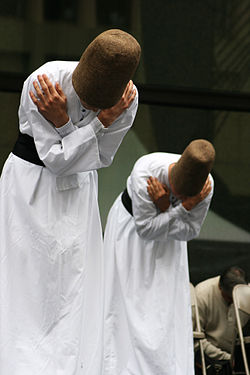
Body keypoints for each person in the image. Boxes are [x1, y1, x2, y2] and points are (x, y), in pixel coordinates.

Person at [0, 29, 141, 375]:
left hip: (79, 190)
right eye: (88, 104)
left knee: (74, 276)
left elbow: (100, 158)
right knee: (29, 276)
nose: (94, 111)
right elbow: (56, 160)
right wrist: (90, 128)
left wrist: (69, 125)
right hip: (30, 186)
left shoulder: (126, 101)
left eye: (99, 108)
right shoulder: (45, 82)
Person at [103, 139, 215, 374]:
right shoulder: (146, 171)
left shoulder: (206, 187)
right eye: (177, 194)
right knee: (125, 298)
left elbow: (190, 231)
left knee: (163, 306)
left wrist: (171, 208)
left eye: (186, 197)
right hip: (132, 236)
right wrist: (182, 209)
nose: (180, 198)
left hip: (171, 244)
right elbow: (146, 229)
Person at [194, 266, 248, 374]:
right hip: (208, 360)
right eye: (229, 298)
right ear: (220, 287)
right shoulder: (201, 295)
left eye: (236, 298)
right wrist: (227, 358)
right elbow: (195, 341)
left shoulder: (245, 294)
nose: (234, 302)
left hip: (235, 356)